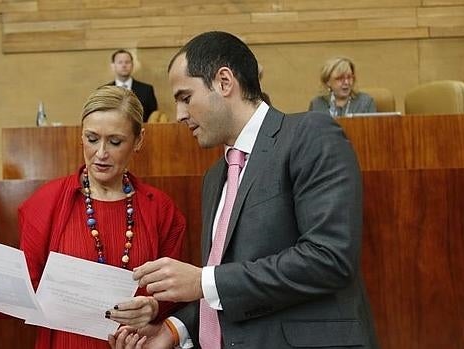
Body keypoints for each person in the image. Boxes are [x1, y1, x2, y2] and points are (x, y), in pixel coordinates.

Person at [121, 31, 379, 349]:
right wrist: (175, 328)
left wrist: (201, 281)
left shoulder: (310, 135)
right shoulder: (215, 176)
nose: (179, 115)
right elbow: (233, 284)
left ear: (225, 82)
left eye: (185, 97)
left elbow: (329, 258)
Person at [0, 86, 186, 349]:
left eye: (115, 142)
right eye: (92, 139)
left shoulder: (162, 210)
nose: (101, 153)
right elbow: (26, 291)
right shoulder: (45, 204)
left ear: (138, 140)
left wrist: (154, 307)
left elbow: (178, 297)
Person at [308, 56, 376, 117]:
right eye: (340, 78)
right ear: (328, 81)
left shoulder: (365, 102)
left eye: (349, 77)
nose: (346, 82)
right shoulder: (317, 104)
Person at [106, 49, 158, 123]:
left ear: (132, 65)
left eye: (127, 62)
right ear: (113, 66)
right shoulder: (105, 91)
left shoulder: (147, 90)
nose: (124, 65)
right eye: (120, 62)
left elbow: (153, 116)